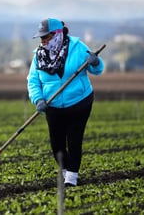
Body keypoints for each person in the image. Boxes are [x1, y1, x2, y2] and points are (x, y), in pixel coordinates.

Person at [27, 18, 104, 186]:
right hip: (52, 104)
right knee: (57, 143)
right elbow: (33, 81)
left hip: (79, 102)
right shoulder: (38, 56)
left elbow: (97, 70)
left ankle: (72, 177)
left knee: (74, 139)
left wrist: (95, 62)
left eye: (46, 37)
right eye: (41, 38)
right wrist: (38, 99)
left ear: (58, 34)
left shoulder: (77, 48)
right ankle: (64, 171)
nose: (43, 41)